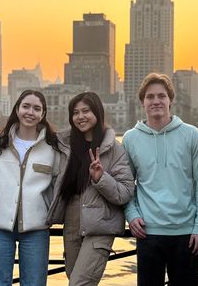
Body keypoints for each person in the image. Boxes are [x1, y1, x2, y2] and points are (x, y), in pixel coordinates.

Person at [123, 73, 198, 286]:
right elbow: (126, 185)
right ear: (142, 102)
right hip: (147, 232)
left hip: (186, 234)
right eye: (150, 96)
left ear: (171, 100)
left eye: (161, 96)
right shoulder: (130, 139)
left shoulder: (192, 135)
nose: (156, 101)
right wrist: (132, 214)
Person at [47, 91, 134, 286]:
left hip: (100, 227)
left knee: (79, 284)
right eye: (75, 112)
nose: (80, 116)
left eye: (86, 111)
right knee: (74, 280)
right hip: (71, 224)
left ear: (97, 112)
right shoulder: (64, 146)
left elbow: (126, 192)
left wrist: (101, 178)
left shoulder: (114, 149)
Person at [0, 90, 60, 286]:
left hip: (37, 228)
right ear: (17, 109)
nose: (30, 112)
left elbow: (58, 184)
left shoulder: (52, 148)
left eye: (37, 108)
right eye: (26, 106)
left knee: (34, 283)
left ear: (43, 114)